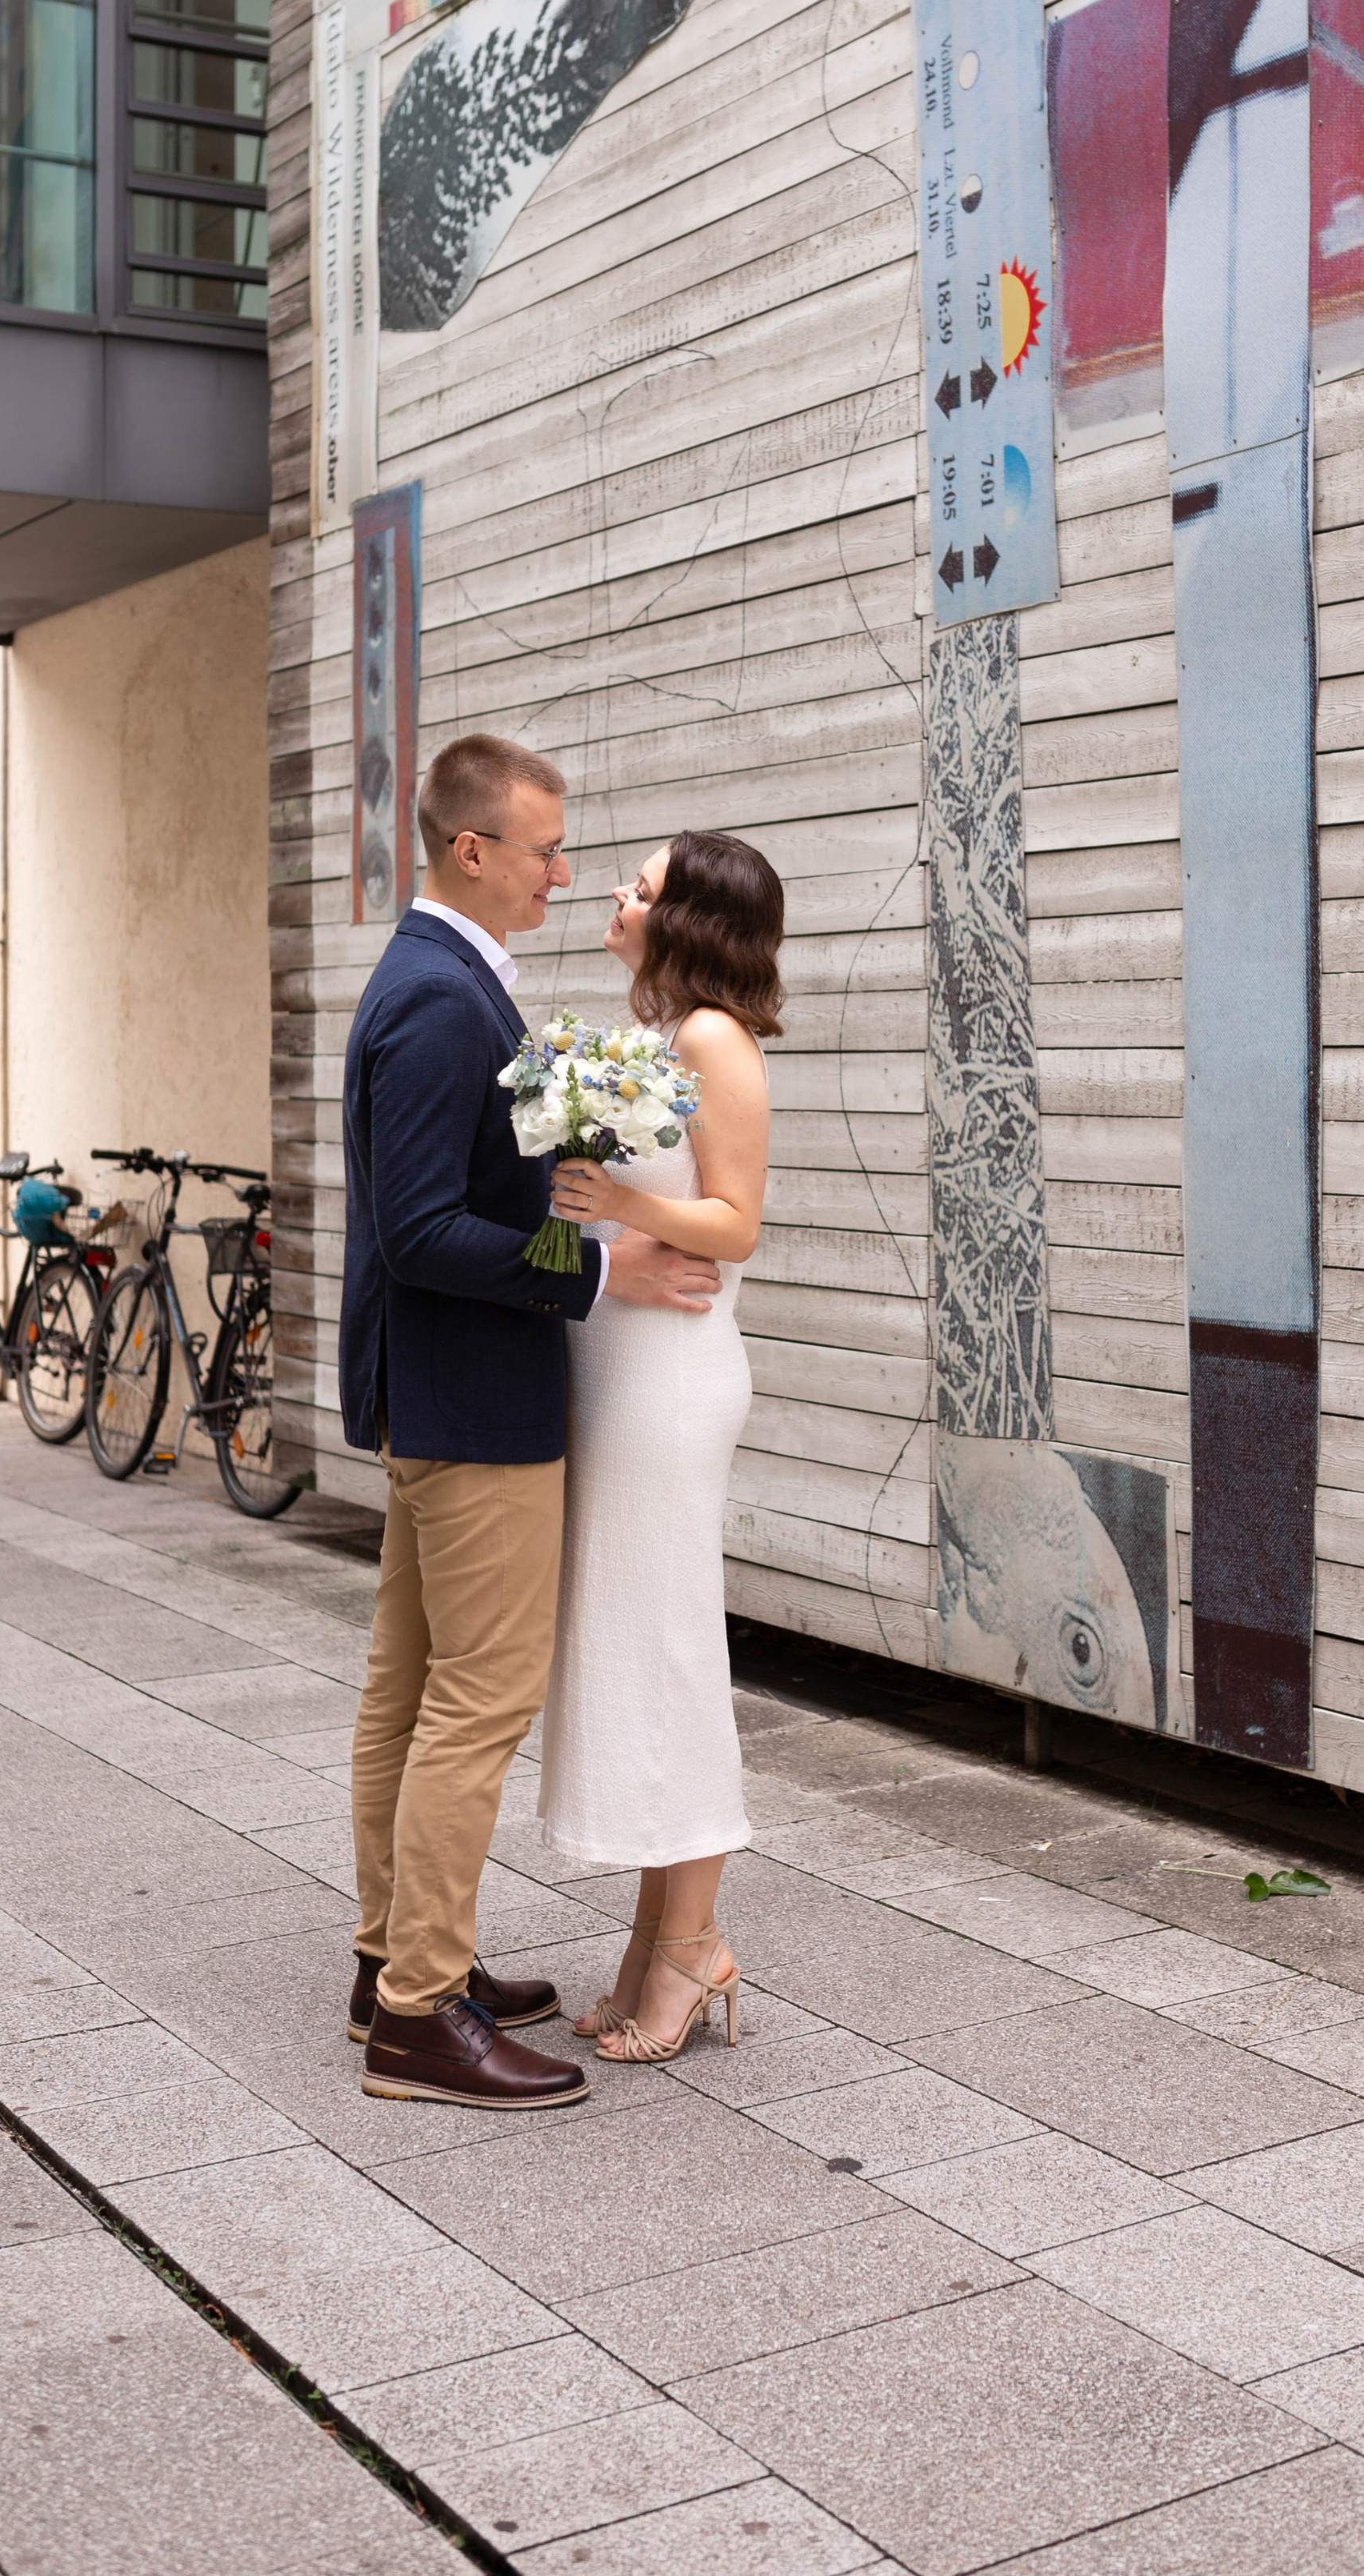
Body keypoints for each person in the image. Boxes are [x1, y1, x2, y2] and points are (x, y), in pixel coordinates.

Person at [339, 734, 722, 2111]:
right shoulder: (441, 1002)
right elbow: (426, 1230)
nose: (567, 871)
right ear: (472, 850)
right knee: (475, 1702)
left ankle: (395, 1961)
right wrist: (600, 1262)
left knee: (409, 1688)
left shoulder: (439, 980)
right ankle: (420, 2015)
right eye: (549, 849)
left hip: (439, 1391)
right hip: (473, 1402)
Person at [537, 828, 784, 2062]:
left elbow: (733, 1222)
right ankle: (651, 1940)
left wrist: (618, 1205)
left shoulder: (711, 1040)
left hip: (671, 1385)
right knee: (641, 1646)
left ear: (688, 918)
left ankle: (692, 1946)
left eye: (641, 885)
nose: (618, 895)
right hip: (624, 1375)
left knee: (674, 1652)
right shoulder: (663, 1033)